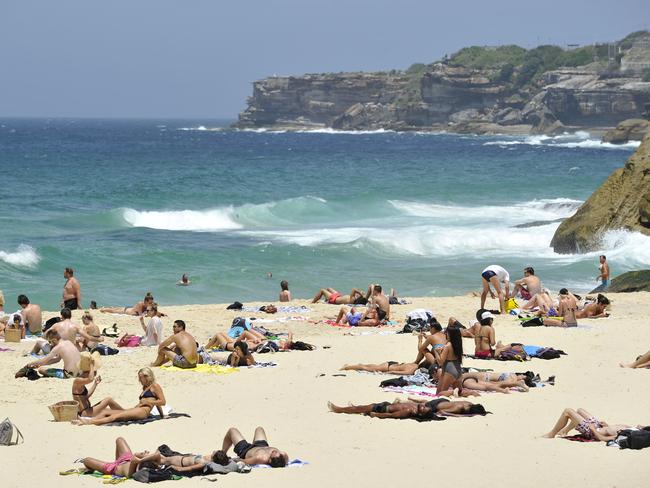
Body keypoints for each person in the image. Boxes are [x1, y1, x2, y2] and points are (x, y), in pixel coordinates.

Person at [72, 367, 166, 425]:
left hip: (143, 412)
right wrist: (161, 415)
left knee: (115, 416)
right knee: (105, 411)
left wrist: (148, 402)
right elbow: (157, 400)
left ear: (147, 376)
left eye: (140, 377)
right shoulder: (145, 387)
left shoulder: (155, 386)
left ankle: (89, 422)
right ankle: (91, 419)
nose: (139, 380)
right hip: (137, 409)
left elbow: (162, 402)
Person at [327, 398, 487, 420]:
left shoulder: (465, 404)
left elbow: (393, 416)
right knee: (361, 407)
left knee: (362, 408)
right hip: (387, 405)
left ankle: (339, 409)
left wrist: (377, 414)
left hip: (385, 407)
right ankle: (346, 408)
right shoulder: (464, 408)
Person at [542, 407, 631, 441]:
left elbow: (602, 438)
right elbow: (612, 430)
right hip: (599, 427)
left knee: (567, 411)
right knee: (580, 410)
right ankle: (564, 431)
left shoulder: (628, 435)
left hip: (592, 432)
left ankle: (551, 434)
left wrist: (592, 429)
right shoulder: (631, 428)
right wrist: (607, 426)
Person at [221, 426, 288, 467]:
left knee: (232, 430)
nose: (275, 451)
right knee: (259, 429)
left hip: (245, 450)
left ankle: (222, 453)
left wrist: (230, 460)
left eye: (274, 453)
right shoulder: (283, 455)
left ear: (270, 460)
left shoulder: (260, 458)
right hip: (262, 445)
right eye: (277, 452)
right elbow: (285, 458)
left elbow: (244, 461)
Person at [72, 351, 103, 416]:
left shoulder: (81, 381)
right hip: (85, 412)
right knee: (108, 400)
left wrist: (95, 384)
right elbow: (90, 379)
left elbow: (86, 396)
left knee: (110, 410)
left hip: (86, 410)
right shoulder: (77, 380)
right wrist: (91, 365)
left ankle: (125, 414)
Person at [434, 326, 463, 395]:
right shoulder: (458, 344)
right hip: (458, 370)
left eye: (446, 332)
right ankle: (472, 393)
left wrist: (436, 351)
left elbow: (440, 362)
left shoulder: (448, 346)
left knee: (439, 394)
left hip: (449, 371)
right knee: (459, 393)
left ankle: (453, 392)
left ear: (449, 334)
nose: (445, 334)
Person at [459, 371, 529, 393]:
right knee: (491, 384)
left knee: (485, 387)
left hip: (465, 381)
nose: (521, 375)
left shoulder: (513, 376)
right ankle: (517, 384)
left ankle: (503, 390)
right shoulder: (513, 375)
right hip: (469, 378)